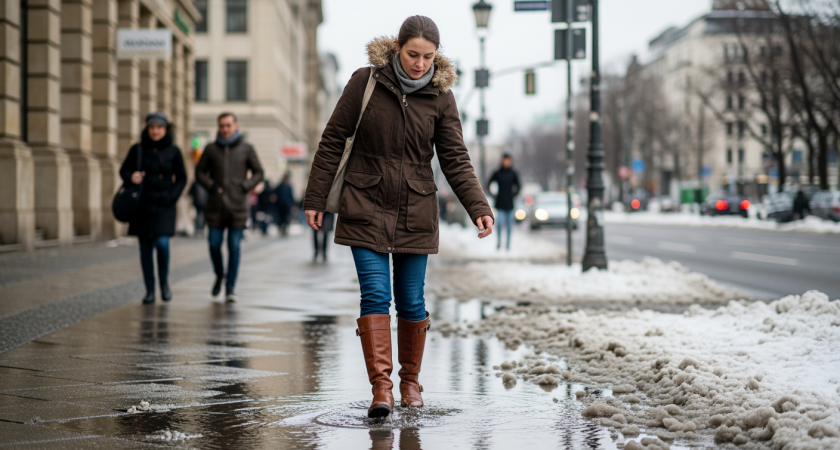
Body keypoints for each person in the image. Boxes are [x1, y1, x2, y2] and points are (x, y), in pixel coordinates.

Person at [303, 16, 494, 419]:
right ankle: (382, 389)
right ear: (397, 48)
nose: (420, 64)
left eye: (428, 57)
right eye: (413, 54)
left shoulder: (441, 97)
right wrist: (315, 198)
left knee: (412, 300)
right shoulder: (365, 82)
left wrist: (478, 206)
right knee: (375, 295)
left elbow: (455, 159)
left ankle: (410, 383)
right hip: (364, 204)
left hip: (416, 209)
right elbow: (333, 139)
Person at [195, 112, 264, 302]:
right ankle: (219, 274)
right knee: (214, 244)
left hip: (238, 207)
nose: (224, 129)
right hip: (215, 207)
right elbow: (199, 172)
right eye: (221, 126)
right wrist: (211, 186)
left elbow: (259, 172)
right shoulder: (210, 149)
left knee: (234, 247)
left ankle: (230, 287)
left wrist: (246, 186)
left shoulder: (246, 148)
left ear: (236, 126)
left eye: (228, 125)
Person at [119, 112, 187, 304]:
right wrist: (130, 177)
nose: (155, 131)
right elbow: (123, 170)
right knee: (145, 250)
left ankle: (164, 282)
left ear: (165, 129)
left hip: (165, 206)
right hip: (142, 206)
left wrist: (172, 196)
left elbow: (182, 177)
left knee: (163, 244)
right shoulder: (138, 149)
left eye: (159, 127)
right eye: (152, 127)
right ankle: (149, 289)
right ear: (147, 129)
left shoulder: (174, 151)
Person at [487, 154, 521, 250]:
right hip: (500, 203)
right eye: (505, 160)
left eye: (508, 160)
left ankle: (508, 244)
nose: (506, 162)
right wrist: (494, 195)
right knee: (499, 223)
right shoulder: (497, 173)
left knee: (510, 226)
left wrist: (513, 195)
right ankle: (498, 242)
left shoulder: (513, 173)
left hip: (510, 204)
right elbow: (489, 184)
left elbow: (518, 186)